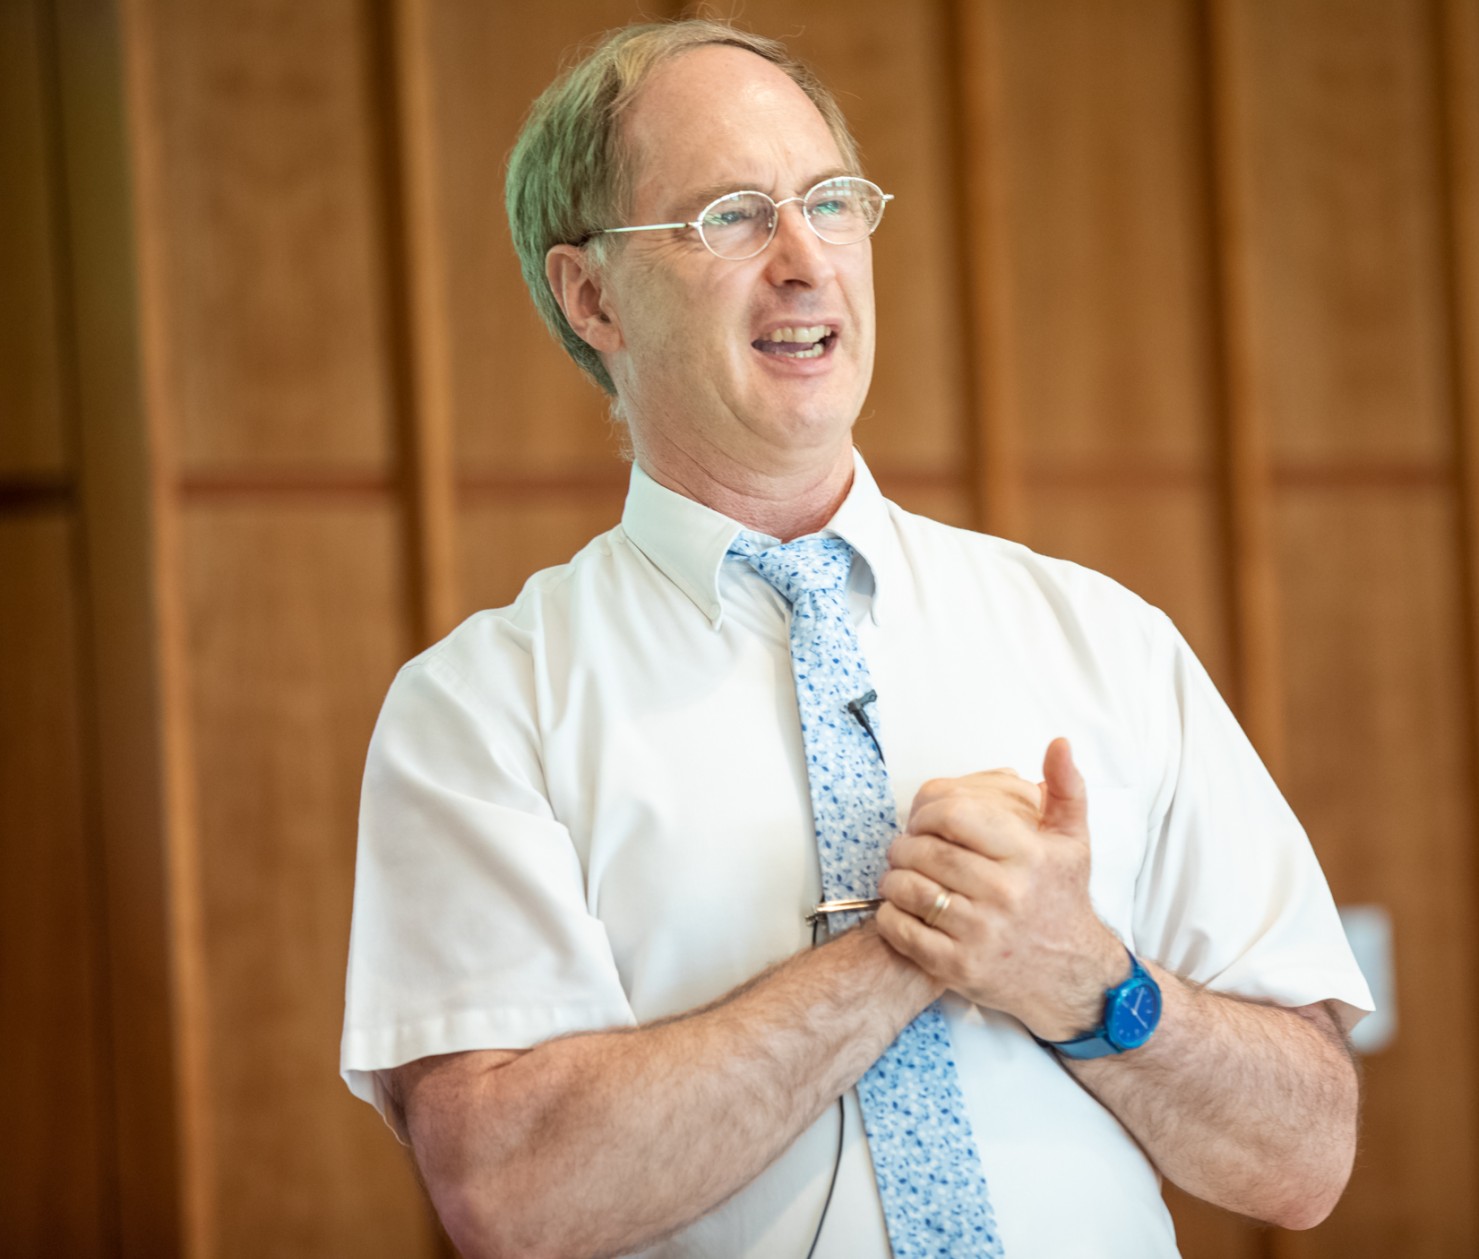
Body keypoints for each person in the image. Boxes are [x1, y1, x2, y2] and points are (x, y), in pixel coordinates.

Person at [340, 17, 1373, 1259]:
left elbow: (1306, 1154)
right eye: (728, 215)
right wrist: (914, 941)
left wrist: (1092, 976)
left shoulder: (1103, 637)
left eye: (830, 201)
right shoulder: (480, 707)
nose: (803, 260)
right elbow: (512, 1193)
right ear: (592, 293)